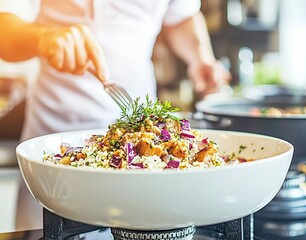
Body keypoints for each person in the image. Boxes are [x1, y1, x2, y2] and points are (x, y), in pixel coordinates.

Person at [0, 0, 230, 231]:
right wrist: (41, 36)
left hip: (142, 148)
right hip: (54, 143)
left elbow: (181, 14)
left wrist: (201, 58)